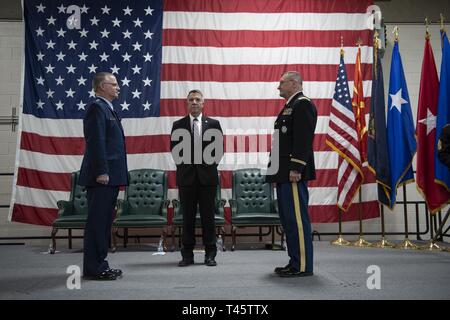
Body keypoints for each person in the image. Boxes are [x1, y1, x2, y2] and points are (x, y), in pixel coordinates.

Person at [266, 71, 317, 277]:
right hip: (283, 173)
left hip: (292, 173)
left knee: (297, 220)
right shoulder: (290, 106)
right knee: (288, 220)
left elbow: (303, 139)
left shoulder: (302, 104)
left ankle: (303, 265)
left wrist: (296, 167)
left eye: (281, 83)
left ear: (294, 83)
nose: (278, 87)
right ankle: (295, 261)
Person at [78, 72, 129, 280]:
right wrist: (101, 171)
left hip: (111, 177)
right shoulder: (96, 108)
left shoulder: (109, 109)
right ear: (101, 87)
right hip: (102, 177)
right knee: (97, 223)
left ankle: (101, 264)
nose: (118, 87)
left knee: (104, 223)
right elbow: (96, 142)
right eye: (114, 84)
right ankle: (93, 268)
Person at [170, 89, 223, 267]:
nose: (194, 102)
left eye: (197, 99)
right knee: (188, 218)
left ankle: (210, 254)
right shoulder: (178, 125)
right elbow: (175, 151)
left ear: (203, 103)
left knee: (208, 217)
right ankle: (187, 255)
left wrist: (205, 165)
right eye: (191, 99)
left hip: (208, 179)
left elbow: (218, 150)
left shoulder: (214, 124)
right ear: (187, 103)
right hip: (186, 178)